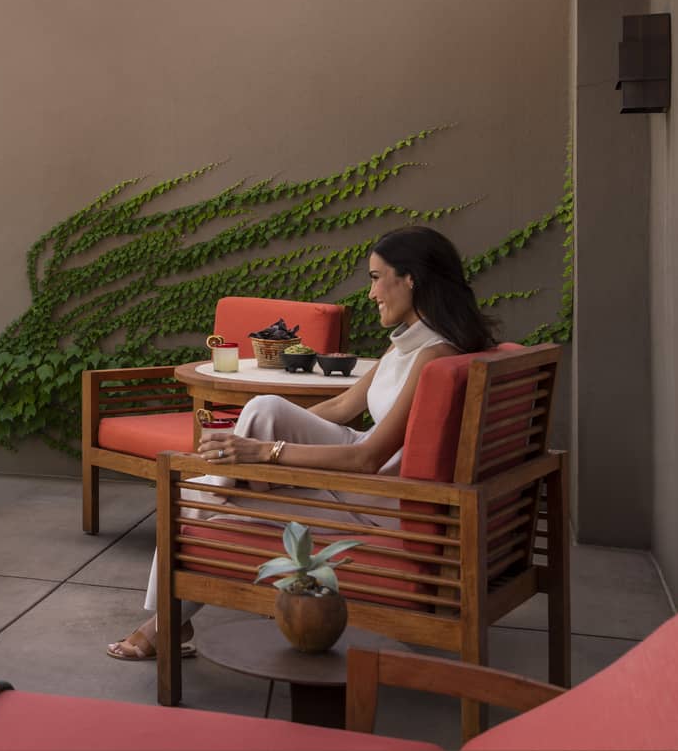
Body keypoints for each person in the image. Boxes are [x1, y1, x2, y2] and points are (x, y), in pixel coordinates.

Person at [106, 225, 497, 662]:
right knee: (264, 408)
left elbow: (368, 458)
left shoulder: (434, 357)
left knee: (190, 495)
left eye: (375, 278)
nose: (371, 293)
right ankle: (225, 489)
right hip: (368, 475)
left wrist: (265, 453)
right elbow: (342, 407)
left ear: (411, 279)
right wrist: (259, 437)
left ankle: (167, 621)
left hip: (378, 498)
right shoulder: (410, 346)